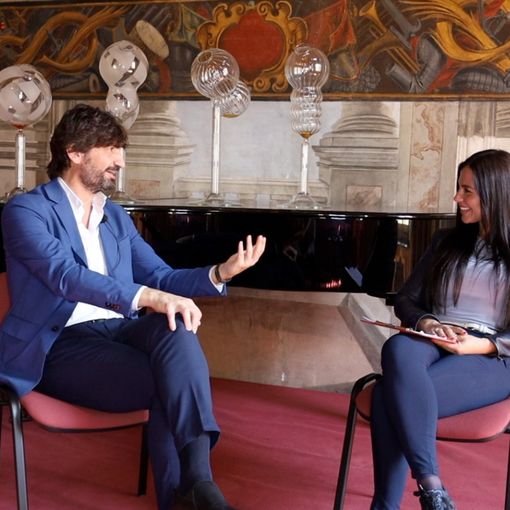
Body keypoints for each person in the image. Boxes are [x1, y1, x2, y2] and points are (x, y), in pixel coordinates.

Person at [0, 103, 266, 510]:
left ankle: (196, 482)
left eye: (121, 150)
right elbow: (64, 275)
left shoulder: (115, 217)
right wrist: (146, 297)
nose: (120, 161)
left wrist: (219, 273)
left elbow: (159, 276)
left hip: (118, 333)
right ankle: (190, 493)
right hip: (57, 346)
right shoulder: (26, 211)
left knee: (175, 329)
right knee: (170, 382)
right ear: (75, 152)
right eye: (110, 148)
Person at [369, 149, 510, 510]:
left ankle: (388, 505)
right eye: (459, 188)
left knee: (386, 396)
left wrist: (480, 345)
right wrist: (430, 323)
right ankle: (432, 487)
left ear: (496, 193)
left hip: (492, 355)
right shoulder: (446, 241)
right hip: (437, 335)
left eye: (467, 191)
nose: (457, 198)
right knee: (396, 347)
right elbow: (406, 300)